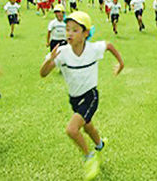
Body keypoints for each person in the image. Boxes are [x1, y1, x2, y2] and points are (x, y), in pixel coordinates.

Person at [40, 11, 124, 181]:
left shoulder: (93, 49)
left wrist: (120, 63)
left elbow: (108, 45)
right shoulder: (62, 52)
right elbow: (43, 74)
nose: (69, 33)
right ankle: (100, 144)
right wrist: (50, 60)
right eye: (67, 29)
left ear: (86, 33)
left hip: (91, 95)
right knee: (87, 126)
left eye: (75, 30)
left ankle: (89, 157)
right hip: (74, 98)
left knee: (72, 129)